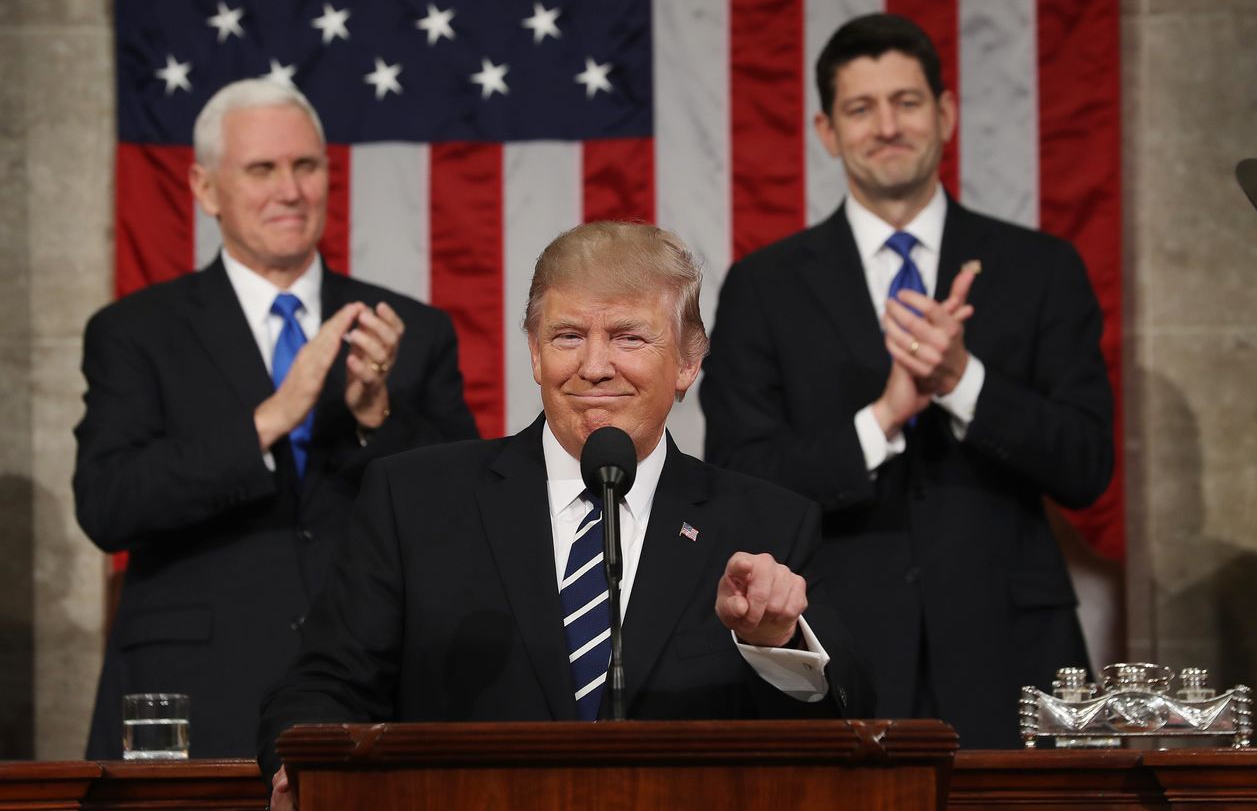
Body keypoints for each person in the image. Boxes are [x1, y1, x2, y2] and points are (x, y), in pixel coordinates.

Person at [258, 221, 872, 808]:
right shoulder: (414, 499)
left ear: (688, 361)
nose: (594, 365)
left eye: (629, 337)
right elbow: (324, 685)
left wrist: (777, 643)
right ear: (533, 351)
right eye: (568, 336)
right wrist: (303, 767)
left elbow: (846, 728)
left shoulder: (765, 522)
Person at [700, 13, 1114, 748]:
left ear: (946, 114)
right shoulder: (764, 287)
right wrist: (882, 419)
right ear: (827, 131)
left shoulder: (1041, 267)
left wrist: (963, 381)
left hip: (1012, 657)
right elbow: (741, 475)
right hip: (839, 653)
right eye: (862, 108)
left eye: (907, 102)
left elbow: (1086, 465)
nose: (886, 126)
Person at [75, 79, 478, 759]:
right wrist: (269, 419)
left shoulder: (410, 331)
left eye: (306, 166)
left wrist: (377, 418)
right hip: (196, 697)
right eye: (262, 169)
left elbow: (465, 515)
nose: (290, 190)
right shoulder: (135, 332)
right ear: (206, 190)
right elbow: (108, 504)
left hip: (369, 694)